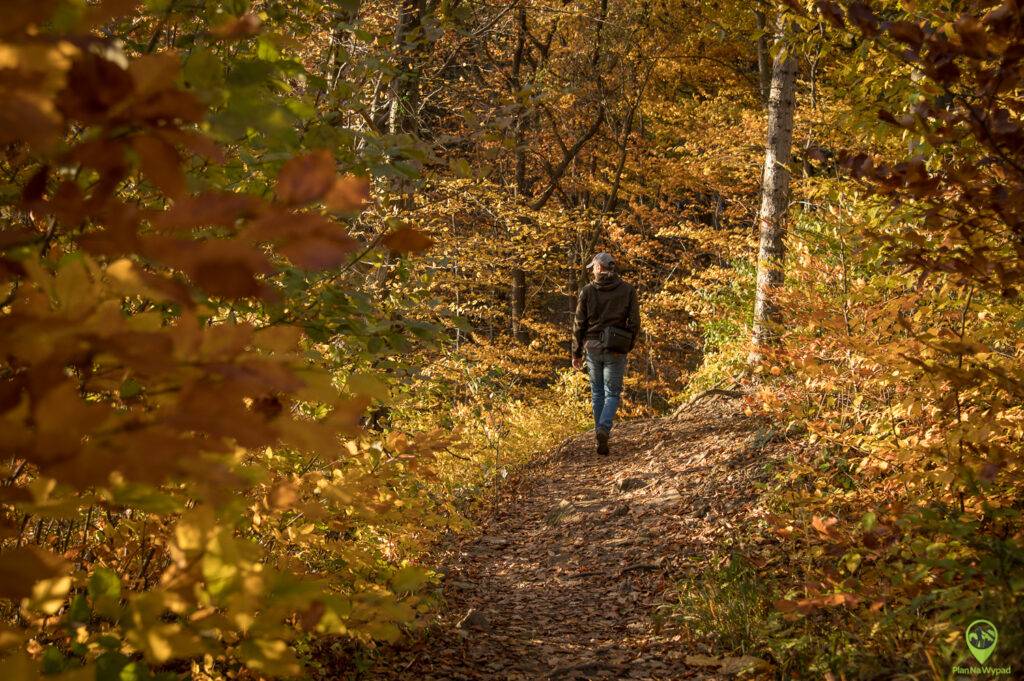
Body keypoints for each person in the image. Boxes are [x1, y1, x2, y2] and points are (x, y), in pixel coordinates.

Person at [571, 252, 640, 455]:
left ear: (600, 268)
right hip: (616, 348)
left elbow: (579, 324)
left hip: (592, 348)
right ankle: (603, 428)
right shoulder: (628, 290)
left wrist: (576, 352)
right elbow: (635, 323)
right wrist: (628, 344)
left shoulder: (587, 291)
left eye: (593, 267)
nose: (592, 270)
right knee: (612, 393)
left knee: (598, 393)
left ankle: (599, 433)